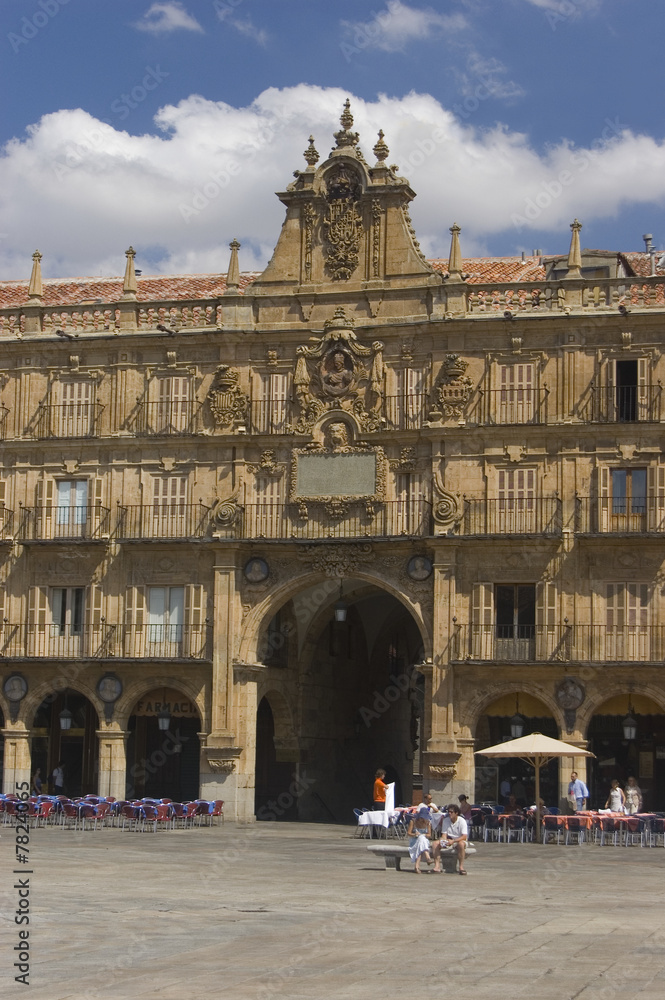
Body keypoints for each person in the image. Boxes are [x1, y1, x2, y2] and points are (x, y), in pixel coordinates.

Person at [407, 805, 440, 873]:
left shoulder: (428, 823)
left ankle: (417, 866)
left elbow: (429, 835)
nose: (423, 819)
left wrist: (423, 835)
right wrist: (415, 834)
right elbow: (408, 833)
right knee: (420, 840)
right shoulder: (413, 822)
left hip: (423, 841)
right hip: (414, 840)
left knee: (421, 839)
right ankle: (427, 857)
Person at [439, 803, 468, 875]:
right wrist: (443, 840)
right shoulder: (446, 820)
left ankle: (461, 867)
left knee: (461, 844)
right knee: (435, 844)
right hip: (449, 840)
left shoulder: (462, 821)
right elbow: (444, 834)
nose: (449, 813)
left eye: (451, 812)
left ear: (456, 813)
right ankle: (437, 866)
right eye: (448, 812)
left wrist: (454, 841)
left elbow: (464, 836)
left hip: (459, 840)